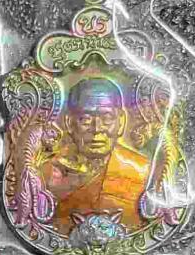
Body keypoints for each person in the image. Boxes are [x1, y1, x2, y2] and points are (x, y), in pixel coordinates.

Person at [41, 77, 151, 235]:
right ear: (69, 123)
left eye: (107, 118)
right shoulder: (47, 174)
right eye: (86, 119)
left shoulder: (142, 172)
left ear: (121, 122)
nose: (97, 129)